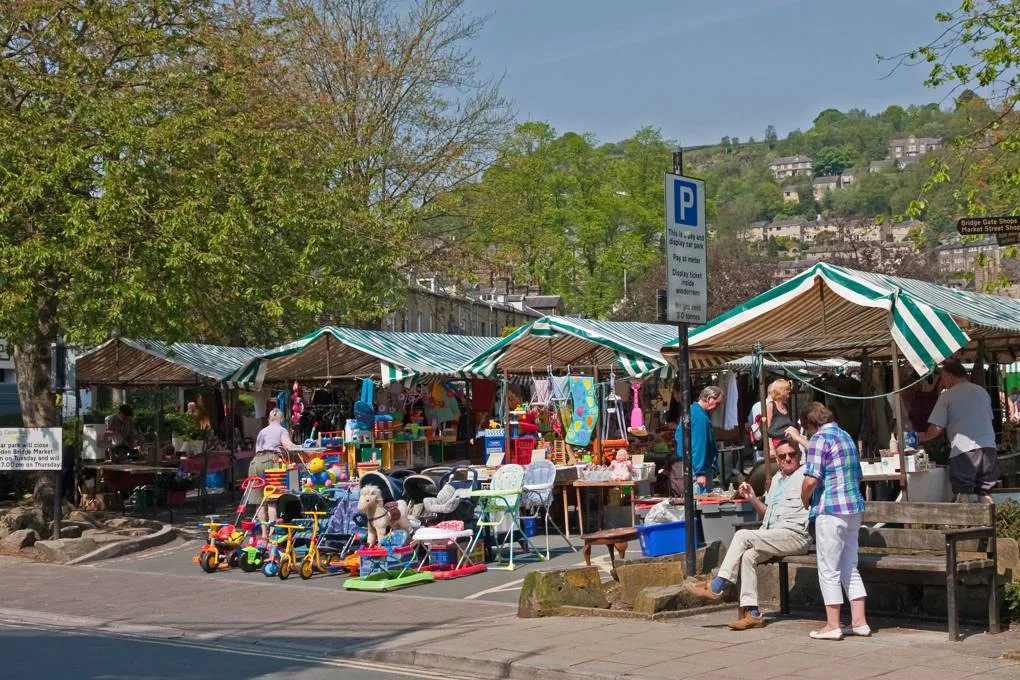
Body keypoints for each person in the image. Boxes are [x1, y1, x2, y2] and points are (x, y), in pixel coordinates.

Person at [687, 437, 811, 630]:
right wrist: (752, 498)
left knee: (742, 535)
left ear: (799, 456)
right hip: (774, 534)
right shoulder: (777, 479)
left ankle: (718, 584)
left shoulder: (806, 473)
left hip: (796, 535)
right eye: (782, 456)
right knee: (748, 556)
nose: (787, 459)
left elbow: (820, 457)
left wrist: (797, 437)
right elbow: (766, 513)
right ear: (776, 460)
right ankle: (753, 613)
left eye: (792, 454)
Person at [785, 402, 869, 641]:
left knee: (828, 568)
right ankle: (859, 622)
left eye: (807, 428)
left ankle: (833, 624)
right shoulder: (846, 437)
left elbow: (811, 479)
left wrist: (804, 499)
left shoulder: (820, 439)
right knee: (849, 565)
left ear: (811, 423)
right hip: (853, 508)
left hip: (830, 508)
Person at [917, 359, 999, 503]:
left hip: (964, 450)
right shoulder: (982, 391)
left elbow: (936, 428)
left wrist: (921, 438)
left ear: (950, 375)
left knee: (963, 492)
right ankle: (991, 524)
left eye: (942, 378)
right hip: (989, 448)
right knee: (985, 492)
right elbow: (988, 419)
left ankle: (966, 526)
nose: (942, 382)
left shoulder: (947, 396)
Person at [250, 409, 298, 538]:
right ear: (281, 420)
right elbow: (288, 445)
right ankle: (272, 532)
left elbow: (257, 449)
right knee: (272, 498)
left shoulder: (262, 431)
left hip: (255, 462)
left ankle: (264, 533)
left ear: (268, 419)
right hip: (270, 461)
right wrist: (303, 448)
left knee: (259, 501)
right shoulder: (282, 430)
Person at [675, 386, 723, 495]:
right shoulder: (700, 417)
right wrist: (700, 473)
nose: (718, 407)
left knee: (696, 503)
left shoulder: (691, 410)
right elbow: (699, 446)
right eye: (717, 403)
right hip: (699, 470)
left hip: (691, 466)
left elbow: (678, 436)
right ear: (709, 398)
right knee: (702, 505)